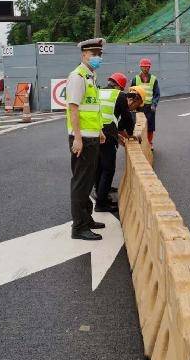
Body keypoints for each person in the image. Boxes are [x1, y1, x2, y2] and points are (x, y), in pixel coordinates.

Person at [66, 38, 106, 241]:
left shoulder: (91, 76)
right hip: (82, 139)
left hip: (92, 137)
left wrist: (99, 130)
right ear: (84, 55)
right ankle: (79, 227)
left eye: (100, 54)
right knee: (80, 183)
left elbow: (91, 109)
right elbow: (73, 108)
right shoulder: (78, 77)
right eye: (93, 54)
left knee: (88, 180)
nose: (98, 57)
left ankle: (87, 218)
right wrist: (78, 138)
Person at [94, 72, 135, 214]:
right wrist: (130, 134)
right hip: (108, 133)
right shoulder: (119, 96)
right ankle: (101, 203)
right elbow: (127, 117)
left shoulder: (98, 91)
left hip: (95, 131)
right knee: (108, 168)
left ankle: (100, 192)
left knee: (99, 165)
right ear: (119, 86)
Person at [132, 58, 160, 149]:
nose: (145, 69)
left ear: (149, 68)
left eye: (147, 67)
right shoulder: (135, 79)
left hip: (150, 107)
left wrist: (154, 104)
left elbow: (156, 94)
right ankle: (139, 141)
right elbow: (132, 93)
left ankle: (149, 142)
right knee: (139, 125)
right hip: (139, 106)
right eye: (143, 67)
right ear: (140, 67)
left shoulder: (153, 79)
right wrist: (133, 105)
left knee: (150, 126)